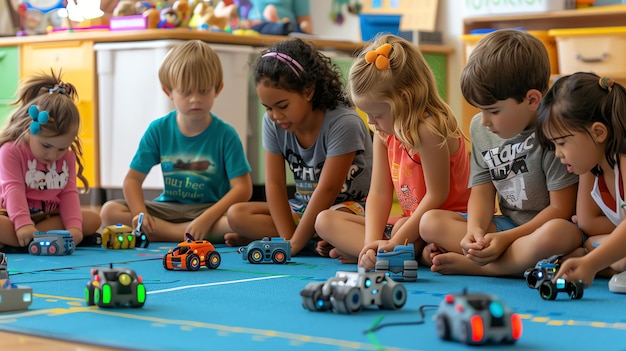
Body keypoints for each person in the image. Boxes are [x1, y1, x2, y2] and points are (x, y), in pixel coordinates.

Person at [418, 29, 581, 276]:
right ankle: (514, 263)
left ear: (532, 100)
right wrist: (475, 231)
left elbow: (561, 210)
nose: (484, 121)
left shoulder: (555, 133)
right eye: (480, 110)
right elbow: (482, 191)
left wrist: (506, 240)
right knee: (430, 222)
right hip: (505, 227)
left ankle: (485, 268)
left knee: (560, 233)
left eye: (493, 111)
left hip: (542, 229)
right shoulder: (480, 128)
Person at [314, 34, 471, 267]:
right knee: (325, 220)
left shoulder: (429, 129)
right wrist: (371, 243)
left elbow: (436, 196)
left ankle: (402, 252)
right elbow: (379, 193)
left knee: (415, 227)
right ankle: (389, 254)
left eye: (376, 115)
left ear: (404, 100)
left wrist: (396, 239)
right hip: (409, 222)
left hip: (444, 221)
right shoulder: (384, 133)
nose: (371, 122)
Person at [225, 38, 373, 256]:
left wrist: (292, 245)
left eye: (282, 106)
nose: (275, 116)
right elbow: (274, 185)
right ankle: (318, 242)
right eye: (268, 108)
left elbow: (328, 190)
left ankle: (322, 239)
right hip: (303, 208)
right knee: (237, 215)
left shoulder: (343, 123)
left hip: (348, 210)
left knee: (327, 221)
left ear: (308, 91)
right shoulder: (274, 123)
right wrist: (289, 241)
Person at [99, 40, 253, 243]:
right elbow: (132, 180)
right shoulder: (159, 129)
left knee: (237, 219)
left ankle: (168, 233)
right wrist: (139, 215)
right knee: (110, 211)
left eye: (204, 91)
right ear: (168, 92)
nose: (195, 99)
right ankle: (185, 234)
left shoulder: (226, 134)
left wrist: (206, 219)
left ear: (218, 89)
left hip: (209, 209)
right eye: (186, 92)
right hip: (168, 208)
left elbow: (243, 189)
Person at [535, 72, 626, 289]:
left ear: (598, 132)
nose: (557, 154)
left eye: (562, 143)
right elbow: (587, 223)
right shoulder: (590, 168)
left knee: (601, 249)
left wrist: (591, 262)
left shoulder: (623, 161)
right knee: (592, 243)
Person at [0, 70, 101, 248]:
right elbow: (12, 189)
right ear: (29, 128)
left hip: (47, 217)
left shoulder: (67, 157)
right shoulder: (11, 150)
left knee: (92, 220)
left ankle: (26, 242)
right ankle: (34, 239)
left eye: (62, 148)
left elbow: (68, 193)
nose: (53, 156)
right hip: (10, 214)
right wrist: (23, 224)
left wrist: (74, 228)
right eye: (46, 146)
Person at [216, 0, 312, 35]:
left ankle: (284, 27)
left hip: (286, 34)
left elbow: (307, 25)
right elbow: (217, 14)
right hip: (254, 31)